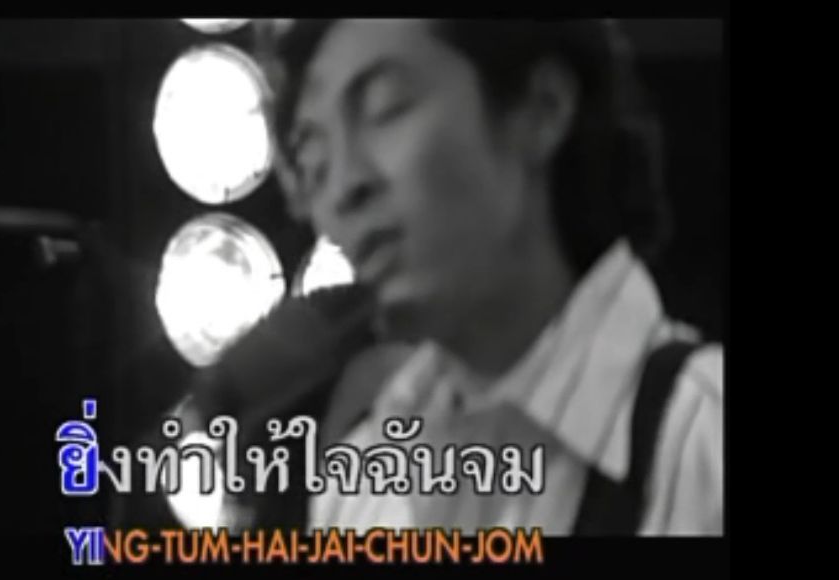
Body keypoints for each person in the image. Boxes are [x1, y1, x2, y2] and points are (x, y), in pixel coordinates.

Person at [251, 18, 723, 536]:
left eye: (386, 108)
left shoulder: (705, 437)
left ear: (541, 109)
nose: (344, 185)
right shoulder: (360, 486)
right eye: (315, 159)